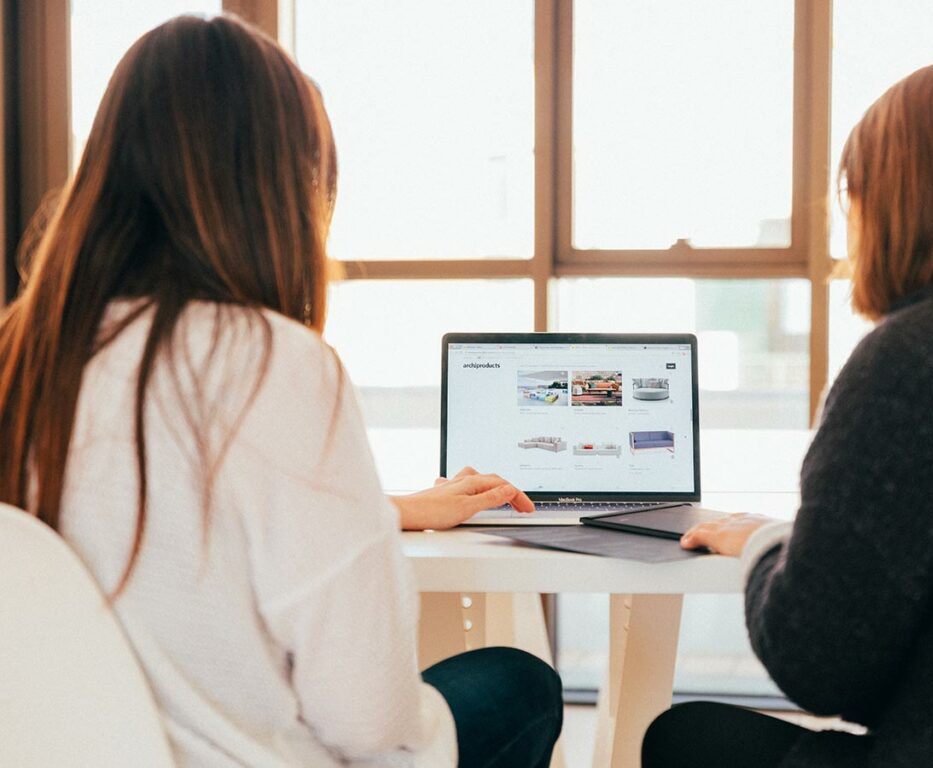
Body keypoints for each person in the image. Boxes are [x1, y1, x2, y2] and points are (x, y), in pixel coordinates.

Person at [0, 14, 562, 768]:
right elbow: (367, 719)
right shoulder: (274, 363)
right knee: (521, 682)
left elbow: (162, 524)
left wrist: (385, 510)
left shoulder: (24, 352)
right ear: (280, 188)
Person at [643, 59, 933, 767]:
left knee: (684, 740)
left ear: (891, 205)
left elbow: (819, 663)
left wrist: (765, 546)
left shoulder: (917, 359)